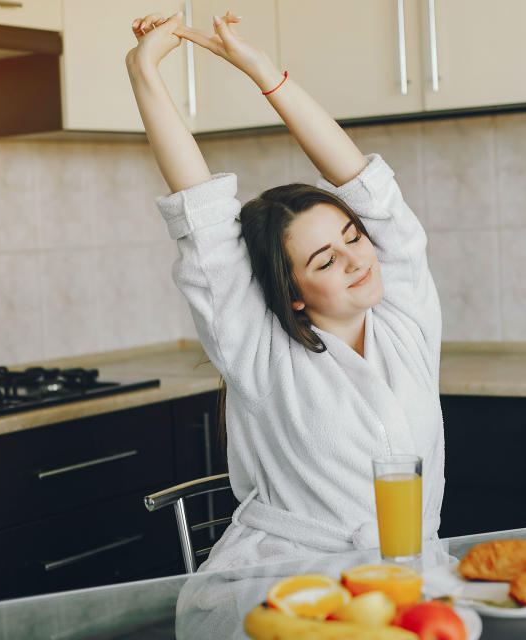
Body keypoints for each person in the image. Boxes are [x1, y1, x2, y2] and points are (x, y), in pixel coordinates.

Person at [126, 10, 445, 571]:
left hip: (409, 581)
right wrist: (143, 72)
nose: (355, 260)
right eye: (325, 260)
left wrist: (265, 73)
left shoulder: (407, 318)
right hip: (286, 587)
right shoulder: (259, 351)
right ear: (292, 292)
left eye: (354, 237)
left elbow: (370, 191)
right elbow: (201, 221)